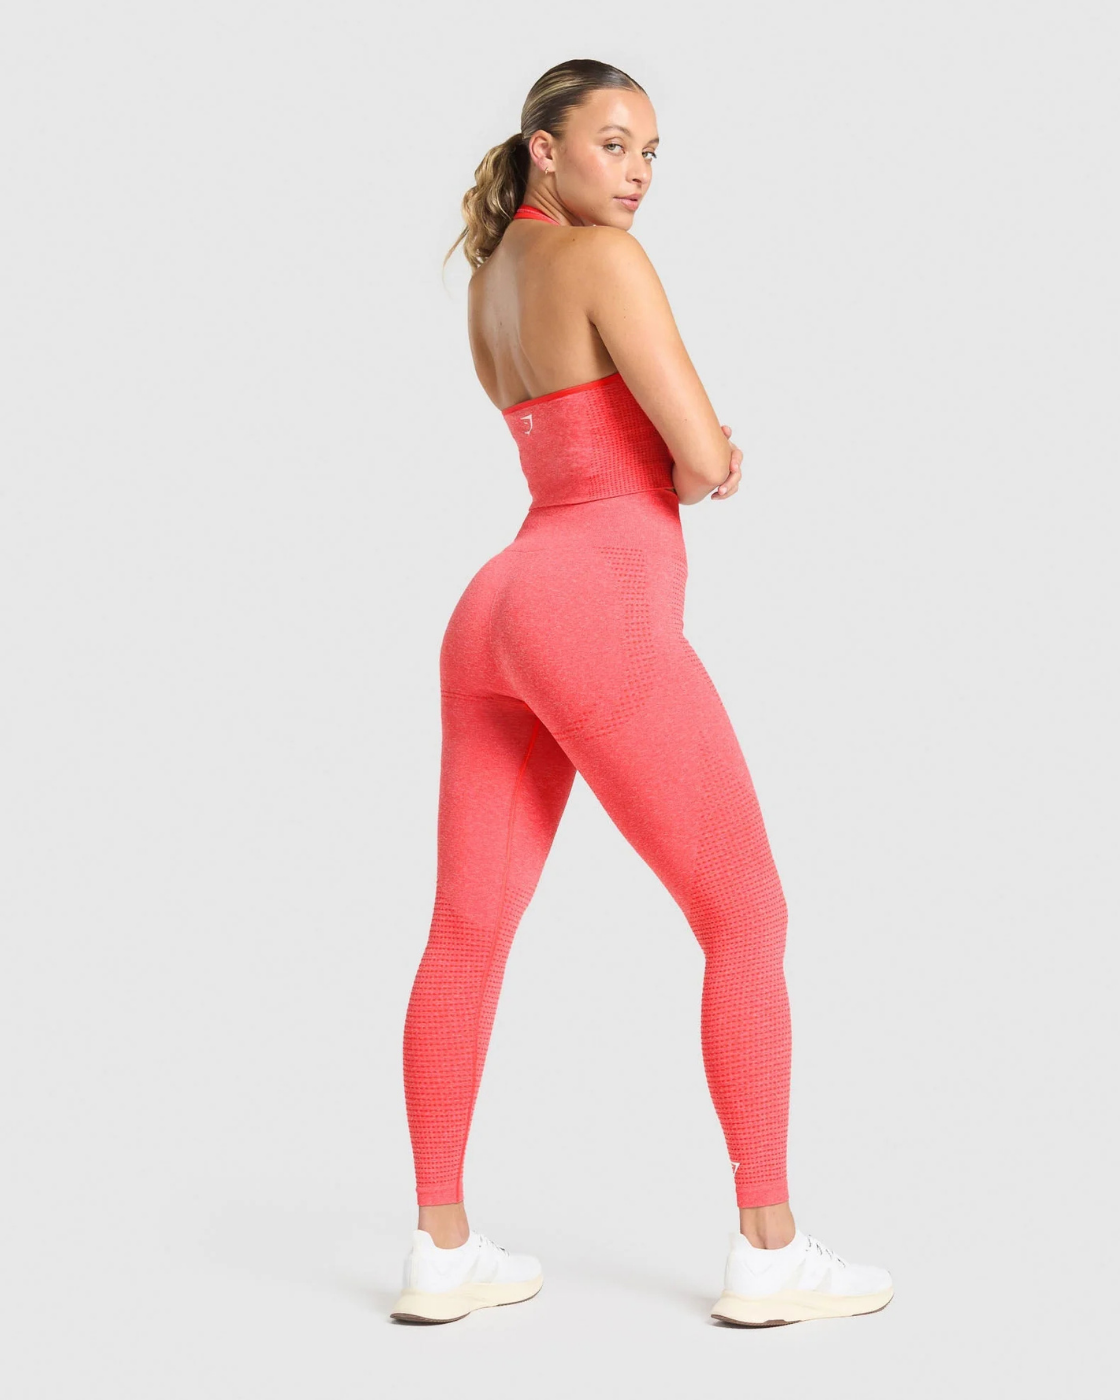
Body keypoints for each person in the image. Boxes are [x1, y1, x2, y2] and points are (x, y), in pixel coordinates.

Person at [391, 58, 892, 1328]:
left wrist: (677, 460)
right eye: (613, 143)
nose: (638, 173)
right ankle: (769, 1247)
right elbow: (695, 454)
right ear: (545, 147)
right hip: (593, 607)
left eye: (653, 151)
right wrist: (708, 459)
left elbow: (580, 448)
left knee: (466, 930)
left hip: (495, 608)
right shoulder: (604, 261)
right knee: (747, 913)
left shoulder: (493, 282)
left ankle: (440, 1247)